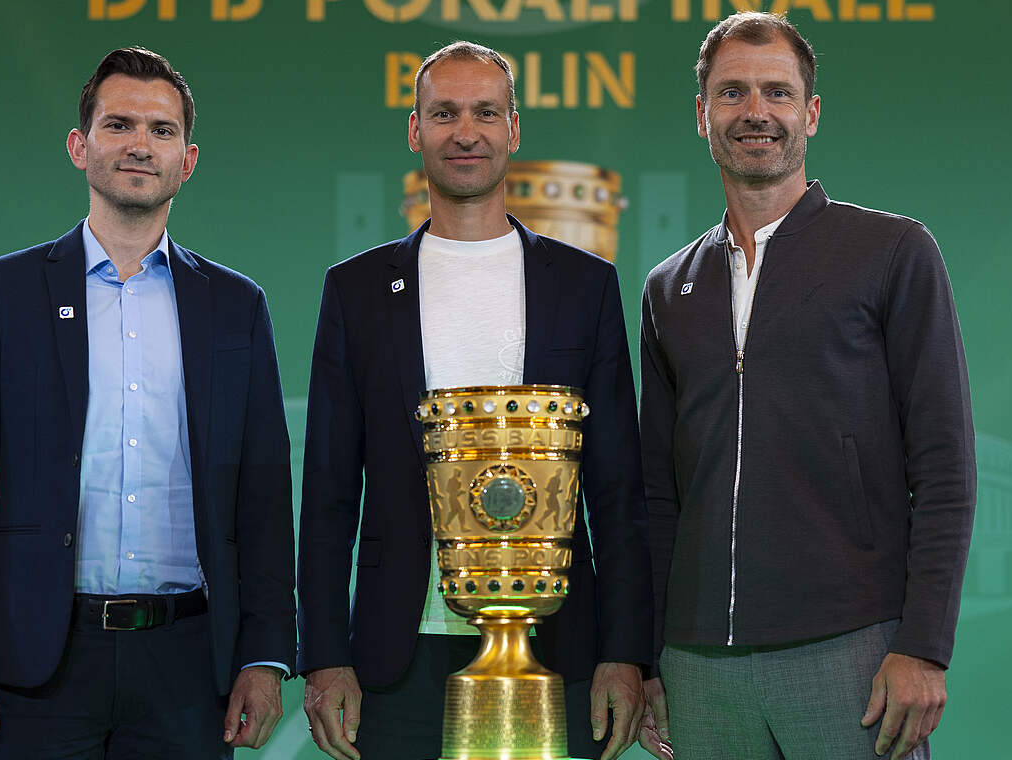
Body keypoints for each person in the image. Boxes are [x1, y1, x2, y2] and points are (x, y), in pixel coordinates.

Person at [0, 47, 295, 757]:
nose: (138, 145)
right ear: (79, 145)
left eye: (161, 130)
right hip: (36, 662)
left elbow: (264, 498)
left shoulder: (236, 307)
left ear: (186, 160)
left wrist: (265, 655)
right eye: (118, 123)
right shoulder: (3, 294)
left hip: (191, 668)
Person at [297, 41, 653, 760]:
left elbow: (618, 490)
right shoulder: (357, 291)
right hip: (397, 658)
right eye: (445, 113)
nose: (466, 131)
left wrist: (626, 653)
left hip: (561, 652)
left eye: (486, 112)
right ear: (414, 129)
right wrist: (325, 656)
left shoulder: (585, 286)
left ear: (514, 129)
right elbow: (331, 491)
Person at [639, 11, 977, 759]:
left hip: (853, 652)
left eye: (776, 93)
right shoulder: (668, 288)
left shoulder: (892, 251)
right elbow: (659, 494)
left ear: (810, 113)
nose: (755, 112)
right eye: (731, 94)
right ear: (701, 115)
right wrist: (647, 657)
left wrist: (924, 645)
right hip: (697, 665)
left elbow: (946, 467)